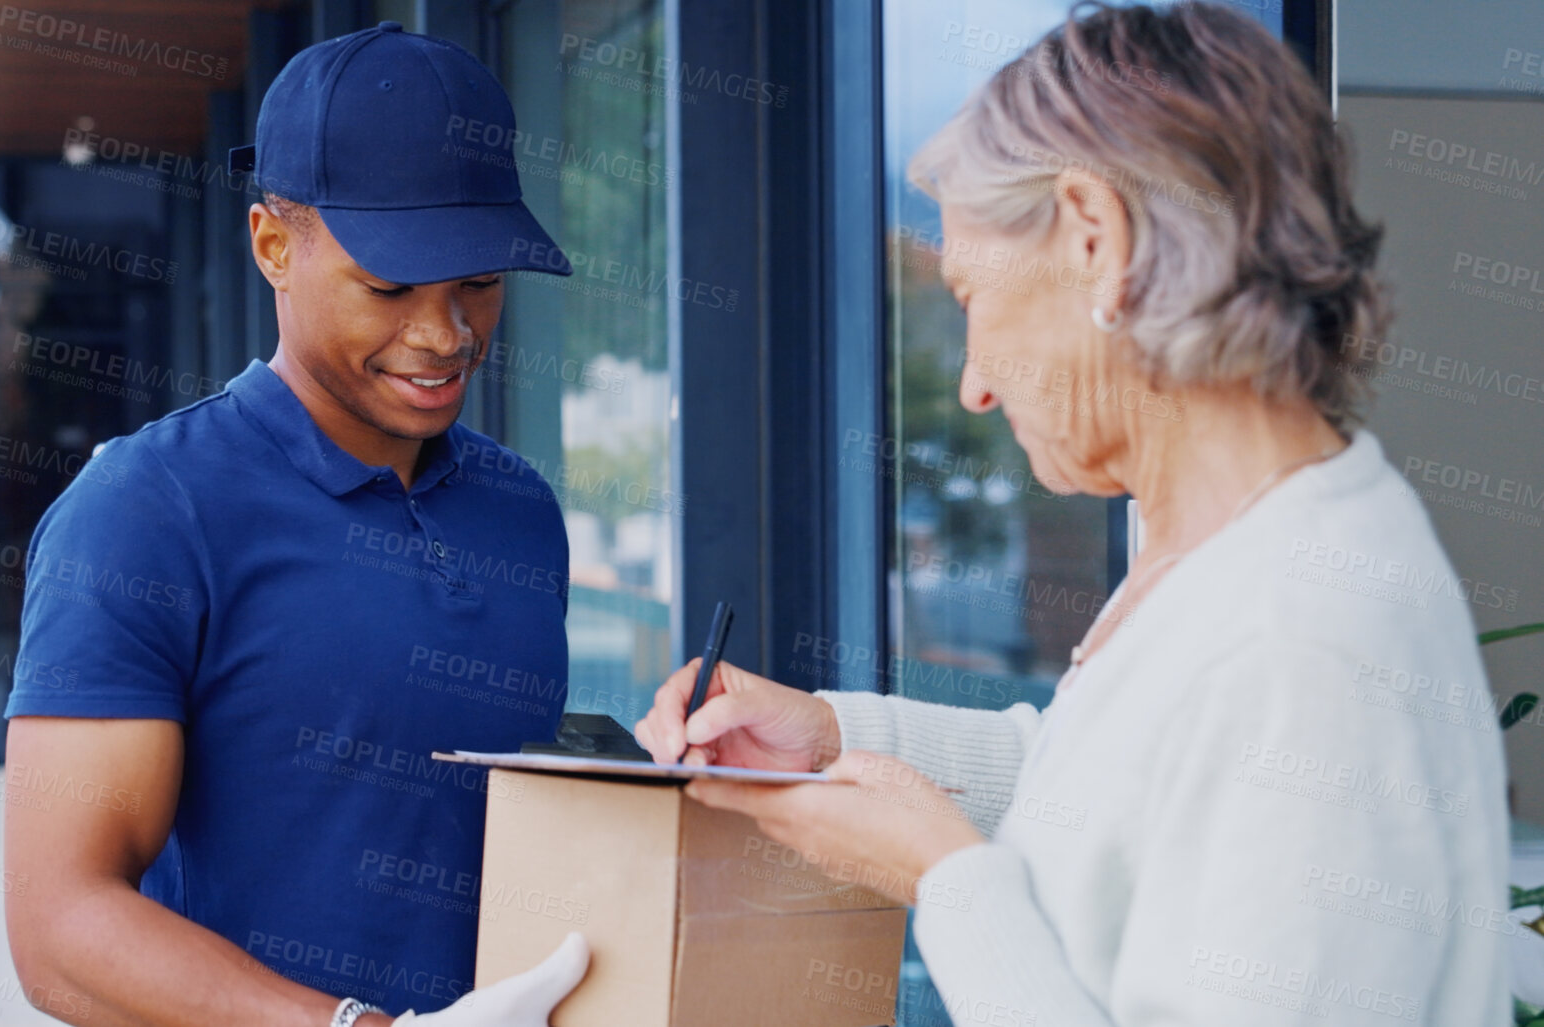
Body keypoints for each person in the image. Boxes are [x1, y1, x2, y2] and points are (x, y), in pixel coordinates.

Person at [636, 4, 1510, 1024]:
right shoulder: (1235, 555)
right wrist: (832, 739)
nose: (972, 384)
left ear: (1097, 237)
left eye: (969, 297)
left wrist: (948, 885)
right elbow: (1117, 798)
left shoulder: (1304, 639)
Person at [2, 22, 587, 1027]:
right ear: (273, 243)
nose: (445, 335)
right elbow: (59, 930)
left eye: (480, 282)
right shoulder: (144, 514)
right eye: (391, 286)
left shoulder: (520, 510)